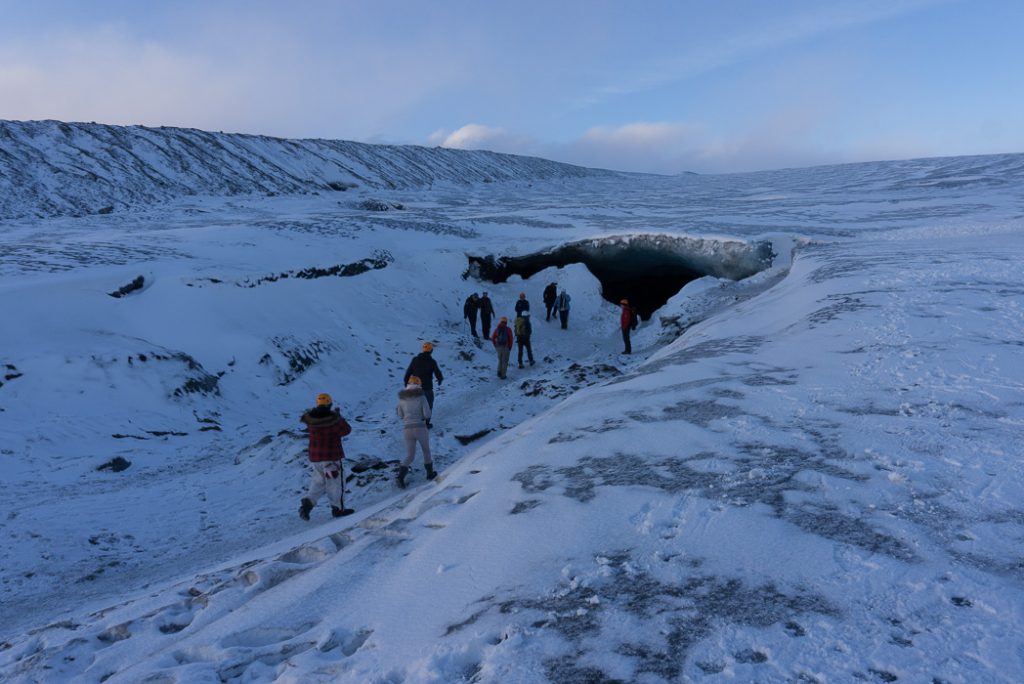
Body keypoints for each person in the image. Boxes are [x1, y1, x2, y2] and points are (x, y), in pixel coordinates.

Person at [299, 393, 354, 519]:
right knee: (335, 483)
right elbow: (346, 430)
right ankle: (338, 509)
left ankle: (308, 503)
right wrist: (339, 417)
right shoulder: (333, 419)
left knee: (318, 481)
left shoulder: (311, 419)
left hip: (315, 457)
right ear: (330, 404)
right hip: (331, 457)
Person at [395, 376, 436, 488]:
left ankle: (400, 477)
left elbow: (399, 414)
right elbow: (427, 414)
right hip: (420, 427)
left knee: (410, 455)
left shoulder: (402, 399)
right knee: (426, 451)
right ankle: (430, 474)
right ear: (419, 385)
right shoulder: (421, 396)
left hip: (407, 429)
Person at [404, 342, 443, 424]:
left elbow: (408, 372)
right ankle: (426, 424)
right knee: (428, 405)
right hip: (427, 387)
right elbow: (437, 373)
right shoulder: (432, 362)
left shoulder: (415, 360)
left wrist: (406, 382)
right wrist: (440, 379)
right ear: (431, 351)